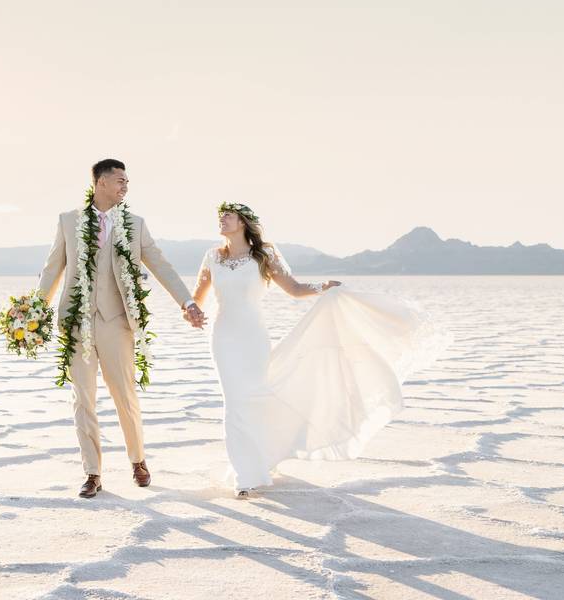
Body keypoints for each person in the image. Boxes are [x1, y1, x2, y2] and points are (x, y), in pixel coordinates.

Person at [190, 202, 449, 498]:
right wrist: (192, 311)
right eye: (220, 216)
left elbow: (294, 289)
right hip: (223, 337)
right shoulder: (212, 256)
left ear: (244, 222)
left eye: (228, 215)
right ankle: (245, 475)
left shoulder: (265, 254)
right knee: (234, 402)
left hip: (253, 337)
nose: (221, 220)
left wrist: (323, 286)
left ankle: (261, 457)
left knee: (256, 398)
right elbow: (197, 298)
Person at [38, 158, 206, 498]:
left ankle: (137, 459)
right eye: (119, 180)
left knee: (124, 396)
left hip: (117, 323)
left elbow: (161, 265)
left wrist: (187, 302)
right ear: (101, 182)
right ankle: (92, 472)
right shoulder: (68, 221)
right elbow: (52, 267)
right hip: (77, 322)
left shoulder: (135, 224)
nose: (125, 186)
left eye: (127, 181)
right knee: (82, 399)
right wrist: (33, 309)